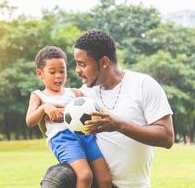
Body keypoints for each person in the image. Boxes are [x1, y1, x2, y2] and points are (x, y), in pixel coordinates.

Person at [41, 30, 174, 188]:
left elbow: (166, 137)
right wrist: (45, 110)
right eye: (76, 64)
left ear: (104, 62)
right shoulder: (81, 96)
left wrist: (117, 125)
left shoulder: (143, 85)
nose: (76, 70)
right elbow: (54, 129)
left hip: (133, 184)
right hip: (94, 182)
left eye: (82, 64)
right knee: (57, 178)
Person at [26, 46, 112, 188]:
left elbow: (95, 108)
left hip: (86, 136)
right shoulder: (38, 96)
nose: (58, 75)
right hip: (64, 139)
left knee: (105, 178)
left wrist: (71, 110)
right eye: (52, 72)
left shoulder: (74, 93)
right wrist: (44, 108)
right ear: (40, 73)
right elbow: (29, 121)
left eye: (62, 70)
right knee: (85, 176)